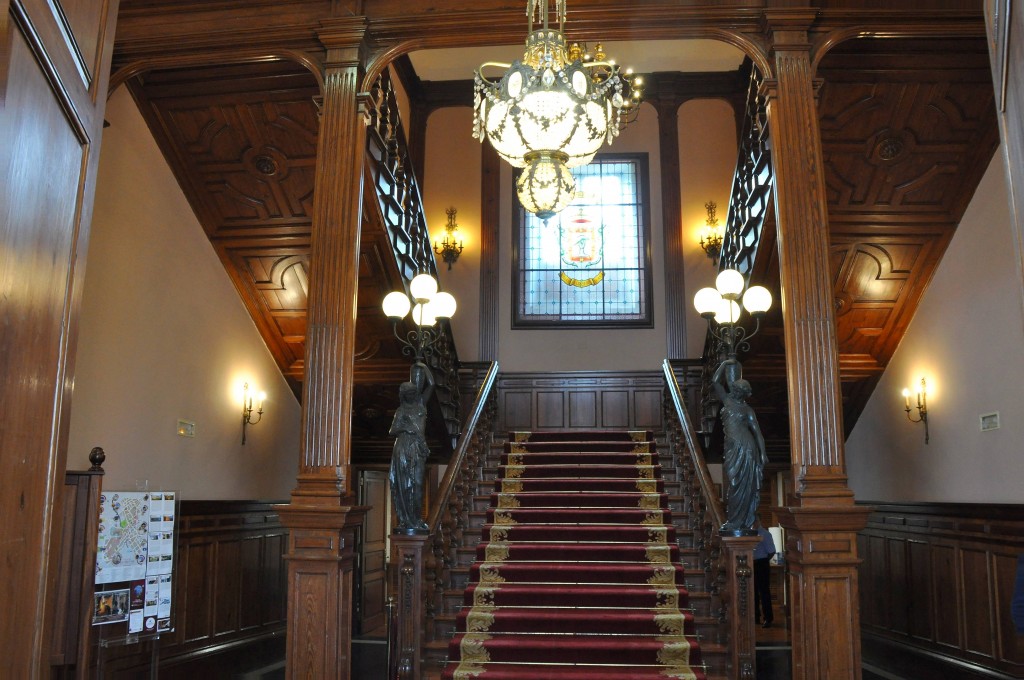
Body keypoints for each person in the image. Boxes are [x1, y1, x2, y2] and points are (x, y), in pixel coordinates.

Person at [711, 358, 767, 534]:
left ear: (743, 393)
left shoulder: (747, 410)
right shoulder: (727, 400)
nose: (734, 392)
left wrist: (763, 453)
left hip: (747, 448)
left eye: (738, 391)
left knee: (744, 484)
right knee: (734, 483)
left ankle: (739, 522)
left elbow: (757, 433)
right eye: (735, 389)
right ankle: (734, 521)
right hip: (732, 447)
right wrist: (724, 363)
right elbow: (714, 381)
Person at [389, 362, 434, 533]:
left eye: (413, 392)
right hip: (402, 447)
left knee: (417, 483)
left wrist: (423, 366)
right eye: (408, 393)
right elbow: (392, 430)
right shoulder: (400, 410)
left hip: (417, 447)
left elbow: (432, 384)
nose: (412, 395)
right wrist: (405, 427)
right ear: (404, 395)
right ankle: (406, 520)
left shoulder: (421, 403)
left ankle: (417, 519)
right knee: (403, 485)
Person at [753, 520, 776, 627]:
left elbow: (772, 551)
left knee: (764, 592)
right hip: (751, 563)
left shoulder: (765, 534)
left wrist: (764, 561)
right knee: (752, 592)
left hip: (761, 563)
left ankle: (768, 618)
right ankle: (755, 617)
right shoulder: (749, 533)